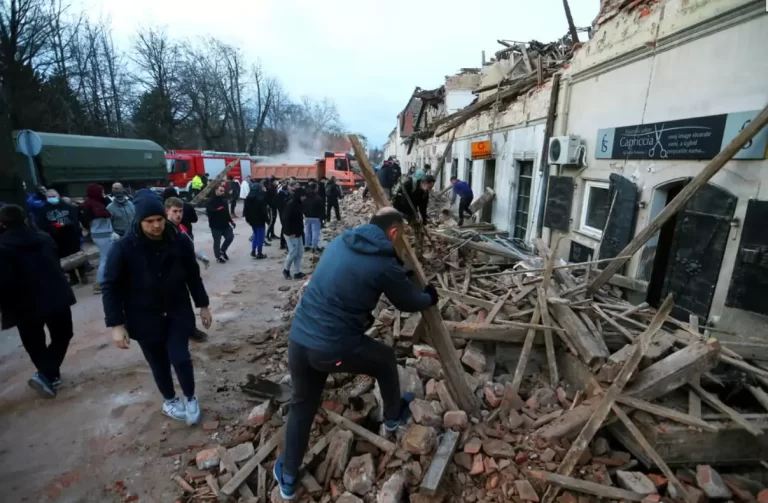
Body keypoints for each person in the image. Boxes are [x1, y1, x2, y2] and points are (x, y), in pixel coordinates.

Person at [273, 208, 438, 500]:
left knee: (303, 403)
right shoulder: (384, 264)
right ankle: (392, 418)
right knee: (385, 360)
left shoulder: (341, 241)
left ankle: (287, 479)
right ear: (393, 233)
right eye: (402, 238)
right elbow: (408, 302)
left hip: (299, 338)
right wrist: (429, 296)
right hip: (332, 347)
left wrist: (399, 272)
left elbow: (364, 274)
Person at [103, 190, 212, 425]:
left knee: (180, 357)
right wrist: (116, 324)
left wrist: (202, 304)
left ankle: (190, 397)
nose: (156, 226)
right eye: (149, 222)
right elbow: (110, 285)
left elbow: (192, 275)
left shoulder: (179, 240)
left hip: (176, 309)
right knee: (158, 362)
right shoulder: (124, 247)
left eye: (159, 220)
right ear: (139, 221)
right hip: (143, 315)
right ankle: (170, 400)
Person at [0, 204, 77, 398]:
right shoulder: (44, 238)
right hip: (55, 297)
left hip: (22, 305)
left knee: (34, 342)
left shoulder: (2, 247)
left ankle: (47, 374)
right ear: (25, 219)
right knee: (63, 334)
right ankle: (49, 374)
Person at [165, 196, 211, 343]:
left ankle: (190, 329)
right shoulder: (161, 232)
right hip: (165, 282)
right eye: (175, 211)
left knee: (184, 305)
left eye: (180, 211)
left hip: (180, 278)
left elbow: (189, 253)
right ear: (167, 211)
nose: (178, 215)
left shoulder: (181, 230)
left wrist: (200, 256)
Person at [37, 189, 87, 286]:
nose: (52, 198)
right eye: (49, 197)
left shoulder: (69, 207)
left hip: (71, 235)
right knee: (64, 258)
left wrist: (66, 224)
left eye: (53, 196)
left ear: (58, 196)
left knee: (77, 255)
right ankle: (73, 277)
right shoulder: (43, 210)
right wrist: (52, 227)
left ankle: (82, 274)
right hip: (56, 237)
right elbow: (41, 224)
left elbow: (75, 221)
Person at [81, 184, 114, 294]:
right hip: (103, 234)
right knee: (105, 259)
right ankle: (100, 283)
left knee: (104, 258)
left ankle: (103, 281)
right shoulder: (95, 205)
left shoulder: (89, 203)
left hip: (97, 234)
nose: (103, 194)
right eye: (102, 192)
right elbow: (103, 214)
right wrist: (109, 214)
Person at [206, 184, 235, 263]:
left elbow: (226, 212)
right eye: (220, 191)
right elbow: (209, 212)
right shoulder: (210, 201)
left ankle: (223, 250)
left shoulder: (224, 201)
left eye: (223, 191)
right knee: (217, 241)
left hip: (225, 224)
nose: (222, 192)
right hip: (215, 225)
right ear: (216, 191)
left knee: (230, 237)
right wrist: (217, 210)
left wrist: (231, 221)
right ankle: (218, 257)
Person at [282, 187, 306, 280]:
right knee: (293, 253)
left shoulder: (299, 204)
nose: (305, 198)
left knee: (299, 253)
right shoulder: (291, 204)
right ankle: (286, 270)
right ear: (300, 196)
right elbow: (285, 219)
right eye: (303, 196)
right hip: (291, 233)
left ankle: (297, 272)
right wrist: (289, 232)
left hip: (298, 232)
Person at [243, 181, 270, 259]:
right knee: (260, 237)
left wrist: (247, 219)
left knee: (255, 235)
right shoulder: (260, 198)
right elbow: (264, 211)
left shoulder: (248, 198)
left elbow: (245, 210)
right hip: (260, 220)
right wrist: (267, 220)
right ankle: (259, 253)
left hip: (252, 220)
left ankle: (253, 251)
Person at [302, 183, 324, 252]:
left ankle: (307, 246)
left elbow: (303, 206)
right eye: (317, 187)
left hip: (307, 217)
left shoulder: (306, 197)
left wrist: (305, 214)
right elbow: (322, 208)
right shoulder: (318, 198)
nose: (318, 189)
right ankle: (314, 247)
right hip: (316, 217)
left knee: (307, 232)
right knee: (315, 233)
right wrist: (322, 217)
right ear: (315, 189)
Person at [265, 177, 278, 243]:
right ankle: (267, 235)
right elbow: (266, 198)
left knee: (274, 220)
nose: (276, 182)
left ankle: (272, 234)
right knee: (271, 221)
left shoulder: (273, 187)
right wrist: (268, 205)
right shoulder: (269, 188)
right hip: (271, 207)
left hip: (274, 206)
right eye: (275, 181)